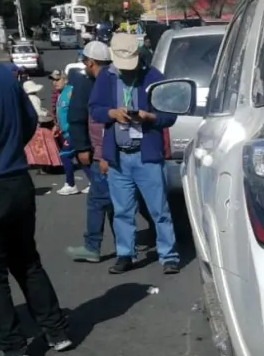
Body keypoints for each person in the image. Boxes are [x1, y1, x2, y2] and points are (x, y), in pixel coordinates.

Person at [0, 55, 73, 356]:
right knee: (27, 261)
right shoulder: (0, 73)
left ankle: (14, 347)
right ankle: (56, 331)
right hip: (16, 180)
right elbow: (29, 120)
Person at [89, 32, 180, 275]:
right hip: (119, 156)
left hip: (146, 155)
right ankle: (125, 254)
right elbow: (95, 109)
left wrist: (150, 117)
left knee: (159, 210)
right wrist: (111, 113)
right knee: (122, 211)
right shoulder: (106, 78)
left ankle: (168, 255)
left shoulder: (153, 77)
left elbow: (170, 116)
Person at [65, 41, 116, 263]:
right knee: (116, 201)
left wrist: (82, 148)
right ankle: (125, 245)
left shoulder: (86, 83)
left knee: (99, 200)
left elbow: (76, 117)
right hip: (115, 150)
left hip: (100, 153)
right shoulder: (115, 79)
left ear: (90, 62)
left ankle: (93, 246)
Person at [53, 71, 81, 196]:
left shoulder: (71, 91)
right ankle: (94, 182)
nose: (55, 82)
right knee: (81, 158)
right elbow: (62, 113)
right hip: (64, 131)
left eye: (58, 79)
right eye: (53, 80)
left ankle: (70, 184)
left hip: (72, 131)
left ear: (65, 80)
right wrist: (57, 126)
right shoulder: (60, 94)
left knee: (65, 156)